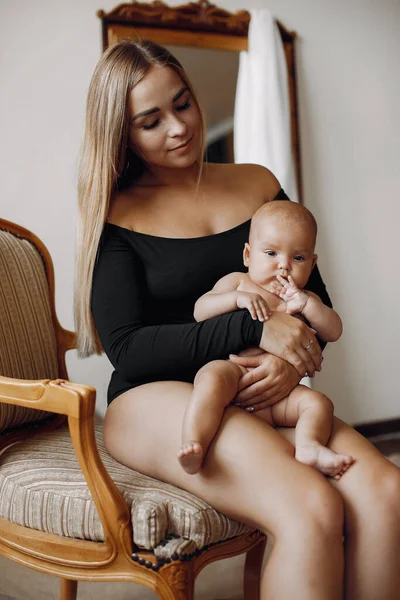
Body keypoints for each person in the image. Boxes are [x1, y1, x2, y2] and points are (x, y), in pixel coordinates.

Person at [75, 40, 400, 600]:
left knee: (386, 491)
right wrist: (255, 330)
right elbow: (128, 347)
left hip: (256, 386)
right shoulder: (117, 214)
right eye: (151, 121)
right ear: (123, 134)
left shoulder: (257, 183)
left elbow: (309, 297)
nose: (178, 128)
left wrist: (285, 359)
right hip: (153, 397)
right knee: (311, 506)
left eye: (183, 104)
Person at [178, 200, 355, 479]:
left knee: (319, 404)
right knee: (210, 377)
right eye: (271, 253)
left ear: (312, 263)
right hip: (236, 375)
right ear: (248, 255)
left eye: (298, 258)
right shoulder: (238, 283)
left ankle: (309, 446)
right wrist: (235, 299)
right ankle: (194, 441)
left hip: (280, 396)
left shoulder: (306, 298)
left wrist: (308, 307)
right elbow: (200, 312)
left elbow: (334, 331)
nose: (283, 265)